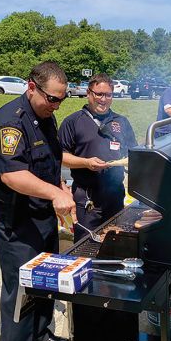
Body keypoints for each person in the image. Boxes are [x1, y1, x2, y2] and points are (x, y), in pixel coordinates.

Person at [0, 61, 77, 341]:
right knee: (21, 294)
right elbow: (12, 175)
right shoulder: (9, 123)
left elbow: (51, 157)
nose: (56, 105)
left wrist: (62, 186)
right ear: (31, 87)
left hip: (43, 218)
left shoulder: (46, 116)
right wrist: (53, 193)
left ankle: (40, 334)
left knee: (45, 283)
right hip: (17, 223)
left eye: (62, 99)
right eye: (52, 98)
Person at [58, 73, 137, 242]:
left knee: (115, 241)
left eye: (108, 95)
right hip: (87, 197)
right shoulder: (73, 122)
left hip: (115, 194)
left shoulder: (121, 122)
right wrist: (86, 163)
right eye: (99, 94)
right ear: (88, 93)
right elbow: (60, 156)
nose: (103, 99)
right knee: (86, 243)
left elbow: (133, 152)